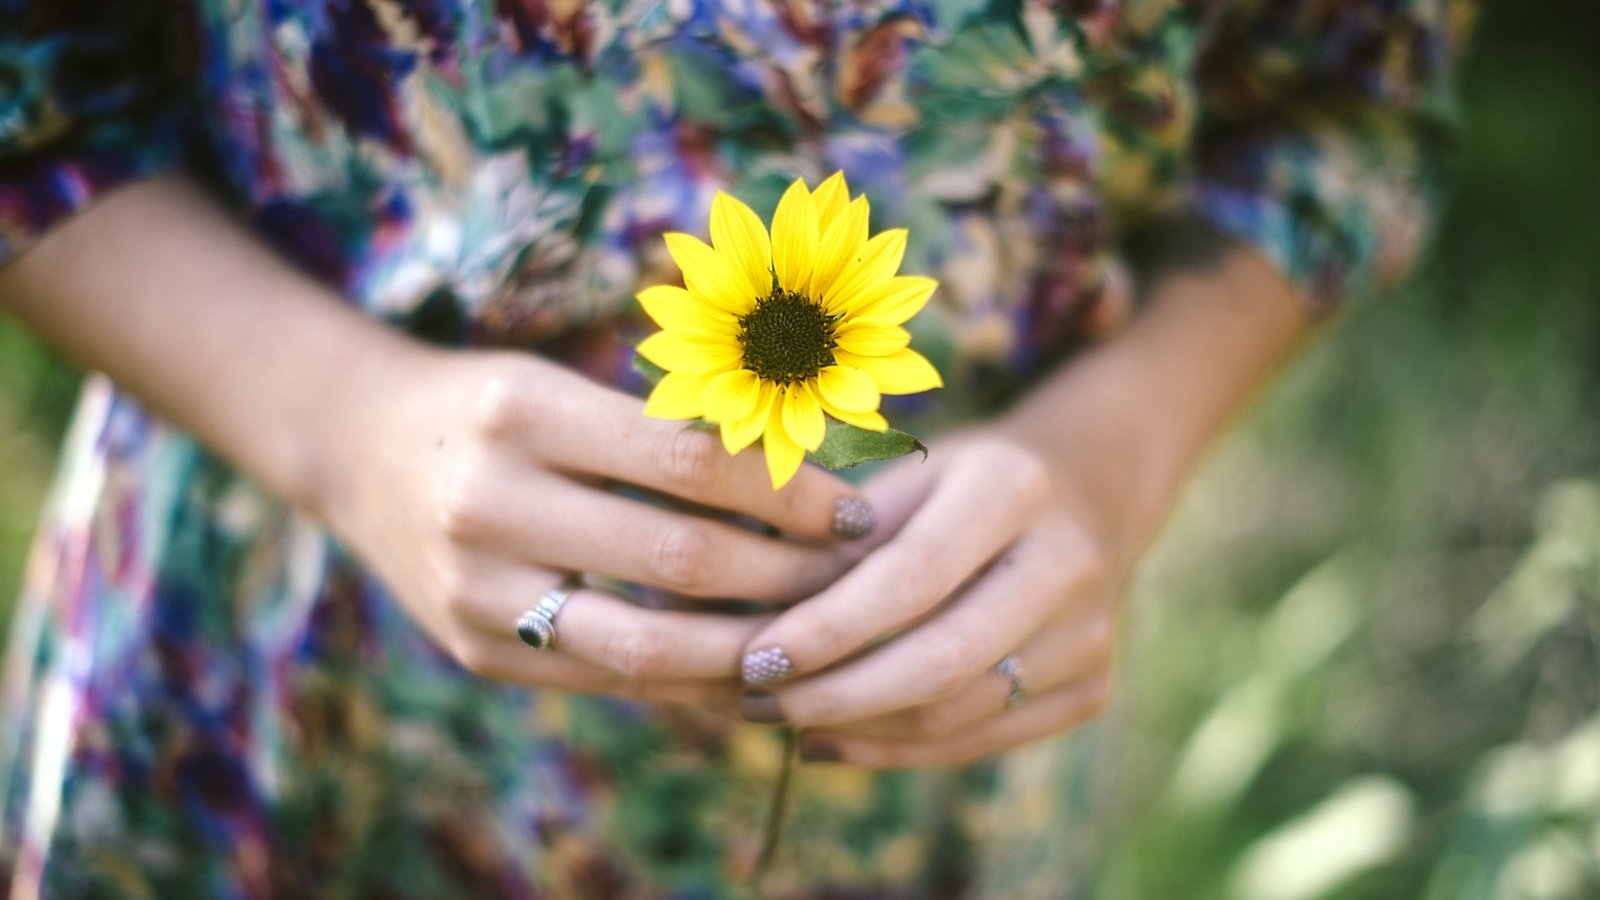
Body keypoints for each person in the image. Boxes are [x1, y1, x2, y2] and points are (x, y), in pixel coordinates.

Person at [0, 1, 1473, 896]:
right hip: (280, 695)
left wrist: (1115, 449)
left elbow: (1352, 106)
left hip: (931, 717)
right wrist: (339, 424)